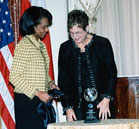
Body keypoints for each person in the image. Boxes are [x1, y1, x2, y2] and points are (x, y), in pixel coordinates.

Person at [58, 9, 117, 121]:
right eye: (71, 33)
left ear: (87, 28)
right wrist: (68, 108)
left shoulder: (103, 44)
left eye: (78, 32)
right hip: (76, 108)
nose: (75, 37)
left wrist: (106, 99)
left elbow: (112, 74)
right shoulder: (65, 48)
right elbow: (63, 80)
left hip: (102, 104)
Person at [10, 6, 59, 129]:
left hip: (39, 101)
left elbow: (42, 72)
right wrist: (37, 93)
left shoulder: (40, 46)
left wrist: (50, 83)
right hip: (27, 102)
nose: (46, 30)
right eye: (44, 27)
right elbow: (14, 77)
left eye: (47, 26)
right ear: (33, 26)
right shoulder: (24, 46)